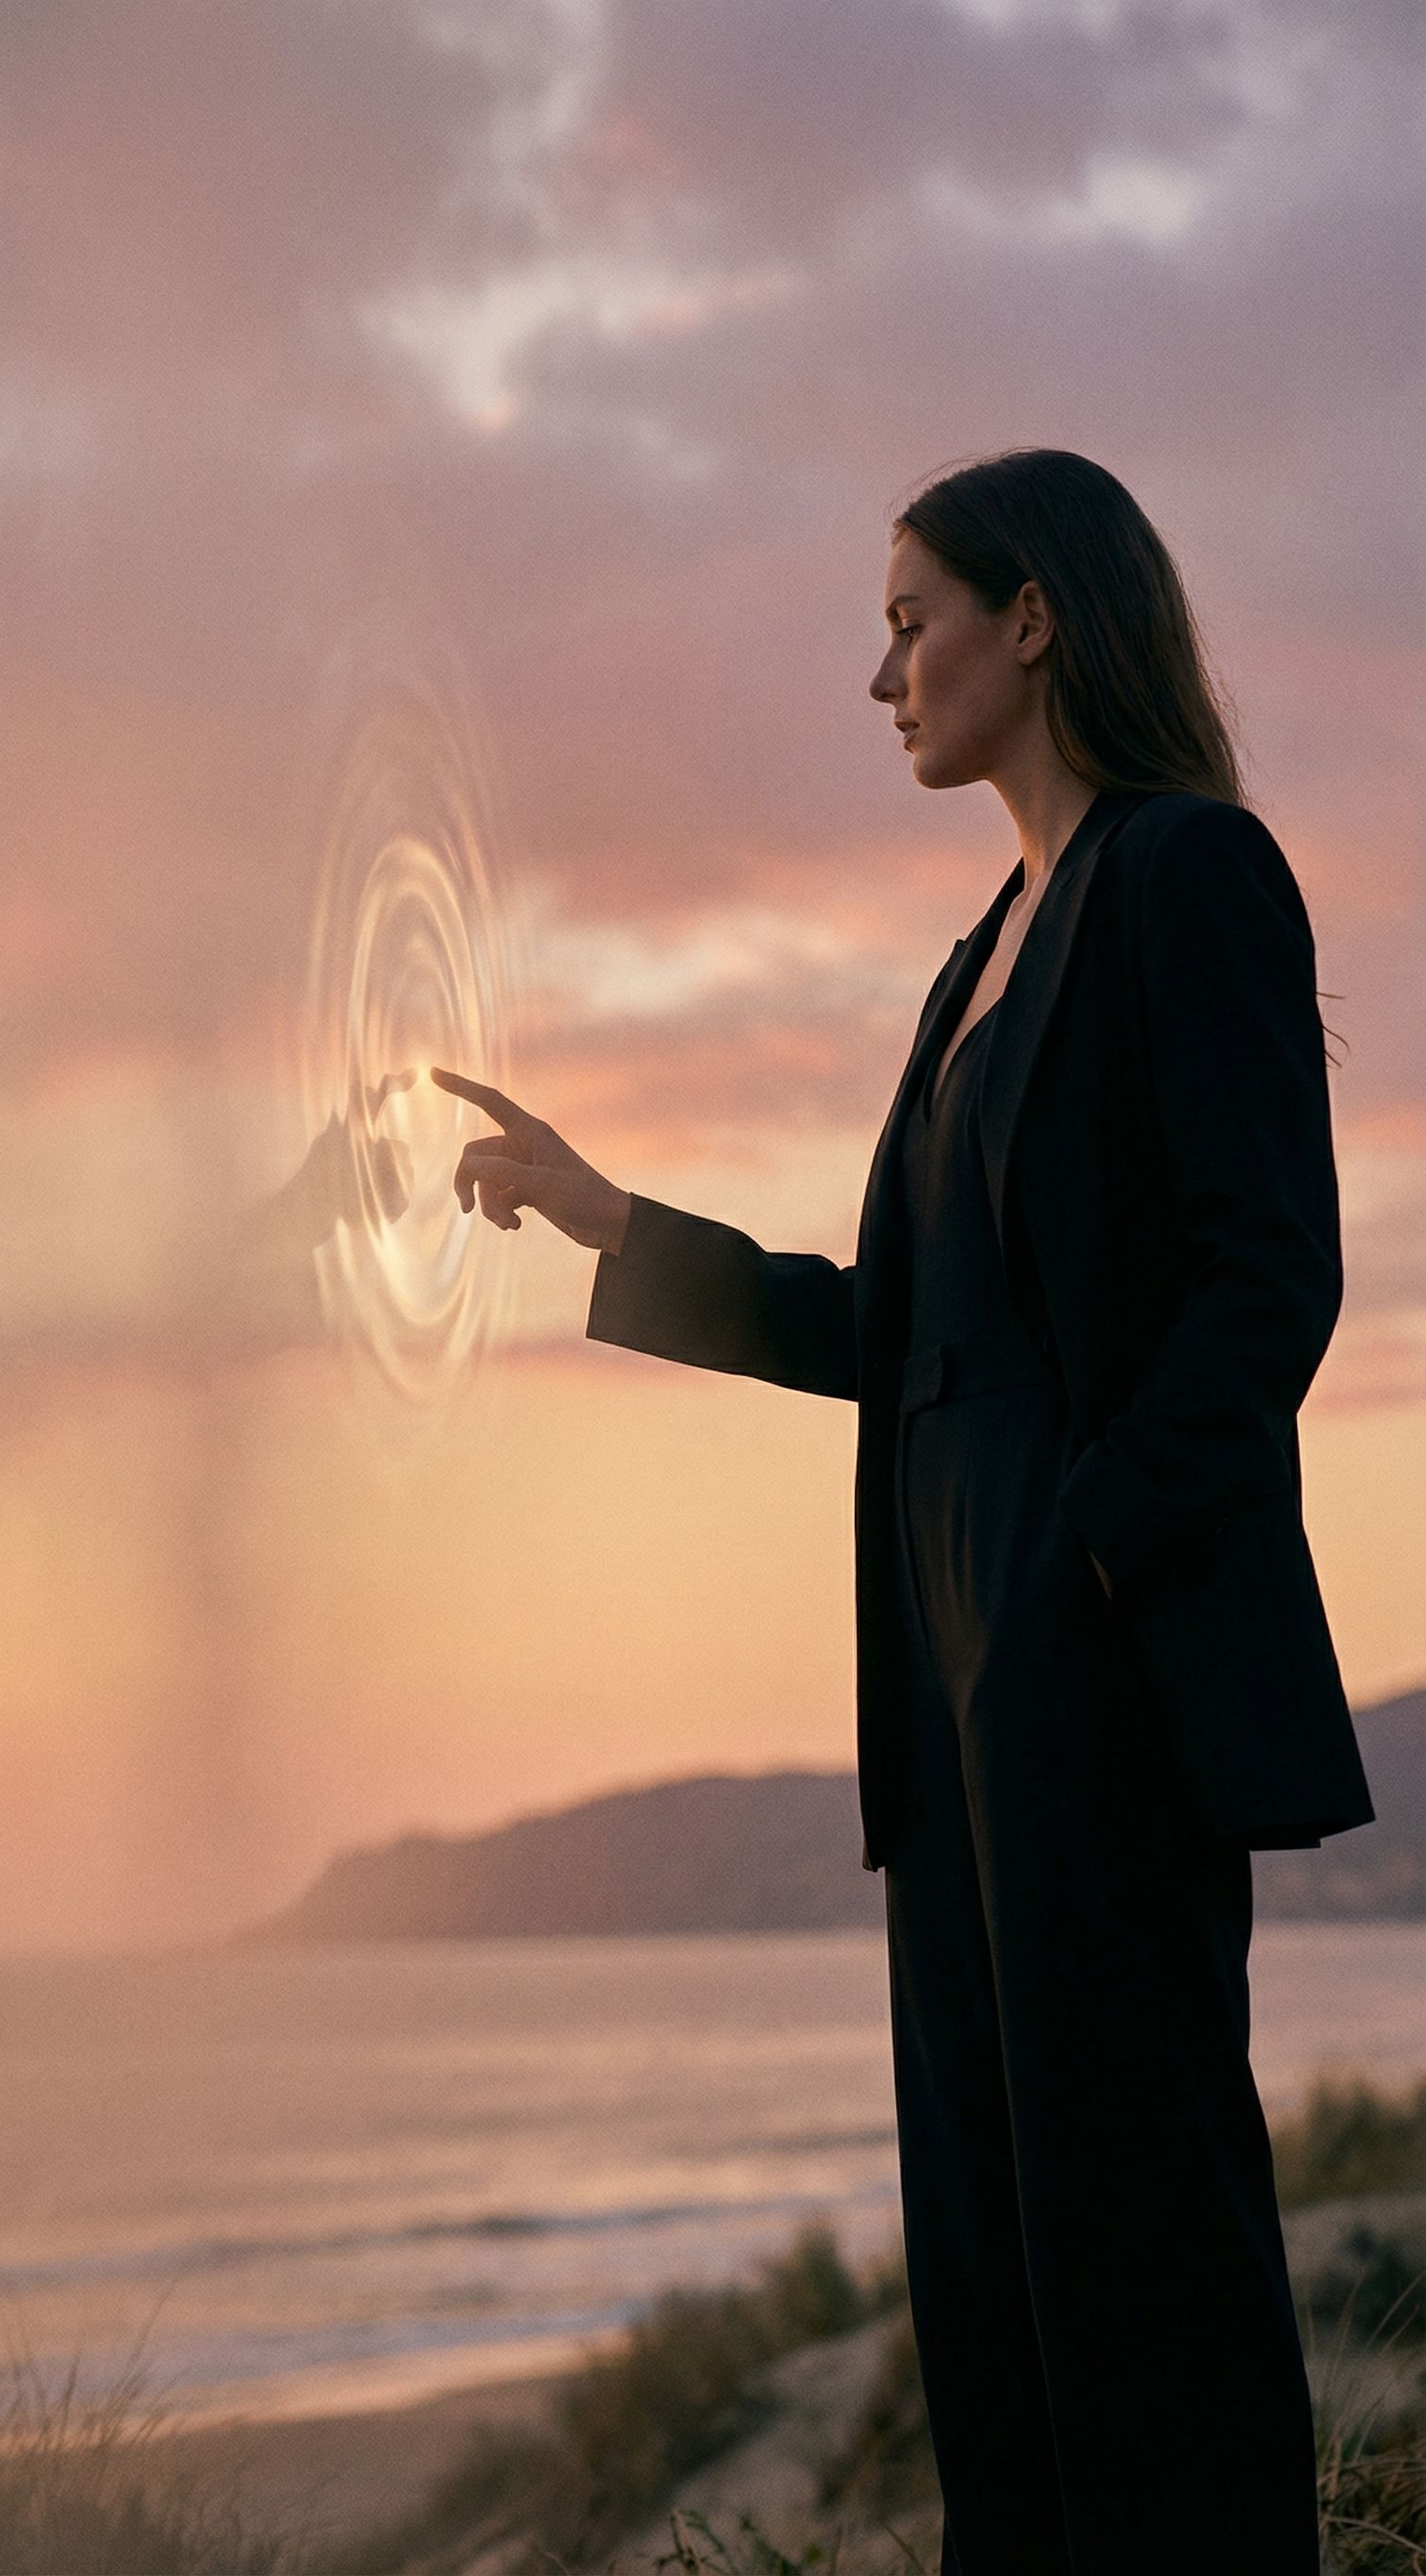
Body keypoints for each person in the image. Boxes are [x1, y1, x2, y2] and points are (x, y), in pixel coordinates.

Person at [432, 446, 1375, 2575]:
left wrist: (1090, 1571)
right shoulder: (972, 964)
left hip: (1093, 1667)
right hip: (944, 1705)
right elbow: (900, 1327)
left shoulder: (1187, 874)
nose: (883, 674)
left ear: (1033, 617)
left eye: (909, 618)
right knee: (993, 2275)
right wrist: (613, 1217)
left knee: (1147, 2263)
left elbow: (1266, 1280)